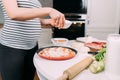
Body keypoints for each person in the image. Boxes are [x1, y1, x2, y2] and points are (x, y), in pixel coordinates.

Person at [0, 0, 65, 80]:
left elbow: (35, 19)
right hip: (12, 47)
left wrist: (48, 21)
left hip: (32, 47)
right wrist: (49, 10)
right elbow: (14, 13)